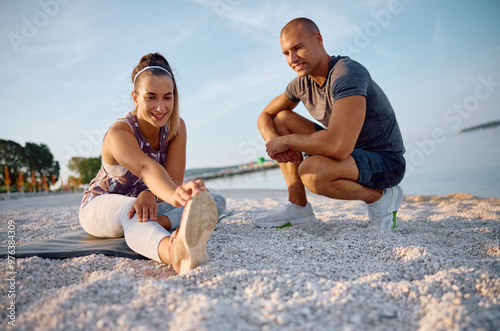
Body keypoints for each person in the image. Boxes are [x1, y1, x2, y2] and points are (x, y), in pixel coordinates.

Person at [79, 53, 226, 274]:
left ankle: (161, 222)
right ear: (135, 97)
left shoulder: (176, 127)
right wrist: (174, 196)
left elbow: (173, 179)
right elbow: (146, 167)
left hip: (152, 203)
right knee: (133, 210)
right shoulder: (119, 132)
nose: (160, 107)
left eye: (167, 97)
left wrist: (180, 195)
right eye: (151, 97)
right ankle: (174, 252)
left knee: (214, 200)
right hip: (102, 205)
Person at [255, 18, 405, 229]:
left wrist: (287, 141)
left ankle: (380, 197)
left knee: (311, 172)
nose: (293, 58)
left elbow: (338, 147)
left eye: (298, 48)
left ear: (318, 40)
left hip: (386, 162)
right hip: (350, 154)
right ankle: (299, 208)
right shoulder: (301, 83)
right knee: (282, 119)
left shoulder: (346, 73)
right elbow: (265, 115)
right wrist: (274, 141)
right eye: (286, 53)